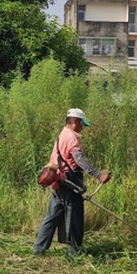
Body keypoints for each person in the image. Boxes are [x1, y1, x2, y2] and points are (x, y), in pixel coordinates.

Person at [33, 108, 111, 256]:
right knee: (74, 215)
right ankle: (74, 252)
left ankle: (38, 249)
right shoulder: (73, 137)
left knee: (52, 216)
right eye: (82, 124)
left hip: (57, 181)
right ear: (75, 121)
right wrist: (98, 174)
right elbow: (79, 160)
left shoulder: (62, 135)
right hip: (68, 181)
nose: (83, 128)